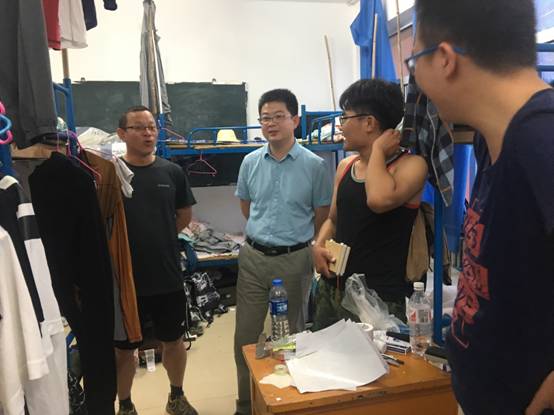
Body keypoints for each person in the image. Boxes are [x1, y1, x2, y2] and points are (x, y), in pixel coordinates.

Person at [411, 1, 554, 414]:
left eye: (414, 62)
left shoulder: (542, 140)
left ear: (444, 59)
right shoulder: (491, 141)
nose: (415, 80)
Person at [234, 89, 333, 415]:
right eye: (265, 118)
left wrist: (295, 241)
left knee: (289, 338)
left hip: (294, 260)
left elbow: (321, 217)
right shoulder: (250, 162)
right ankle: (246, 404)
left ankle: (288, 404)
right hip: (253, 259)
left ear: (295, 120)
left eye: (279, 116)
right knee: (245, 337)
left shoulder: (314, 166)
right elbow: (248, 208)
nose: (271, 123)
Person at [311, 79, 428, 330]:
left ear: (369, 123)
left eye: (345, 117)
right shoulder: (346, 166)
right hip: (334, 289)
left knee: (376, 357)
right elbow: (333, 220)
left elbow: (378, 200)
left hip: (380, 300)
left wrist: (378, 152)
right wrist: (318, 246)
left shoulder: (411, 166)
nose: (341, 125)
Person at [114, 106, 198, 415]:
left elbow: (183, 215)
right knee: (124, 349)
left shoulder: (171, 172)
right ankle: (125, 405)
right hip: (126, 280)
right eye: (139, 128)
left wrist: (159, 236)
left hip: (166, 275)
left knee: (173, 340)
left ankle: (177, 396)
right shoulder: (111, 175)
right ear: (122, 134)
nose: (148, 133)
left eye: (152, 127)